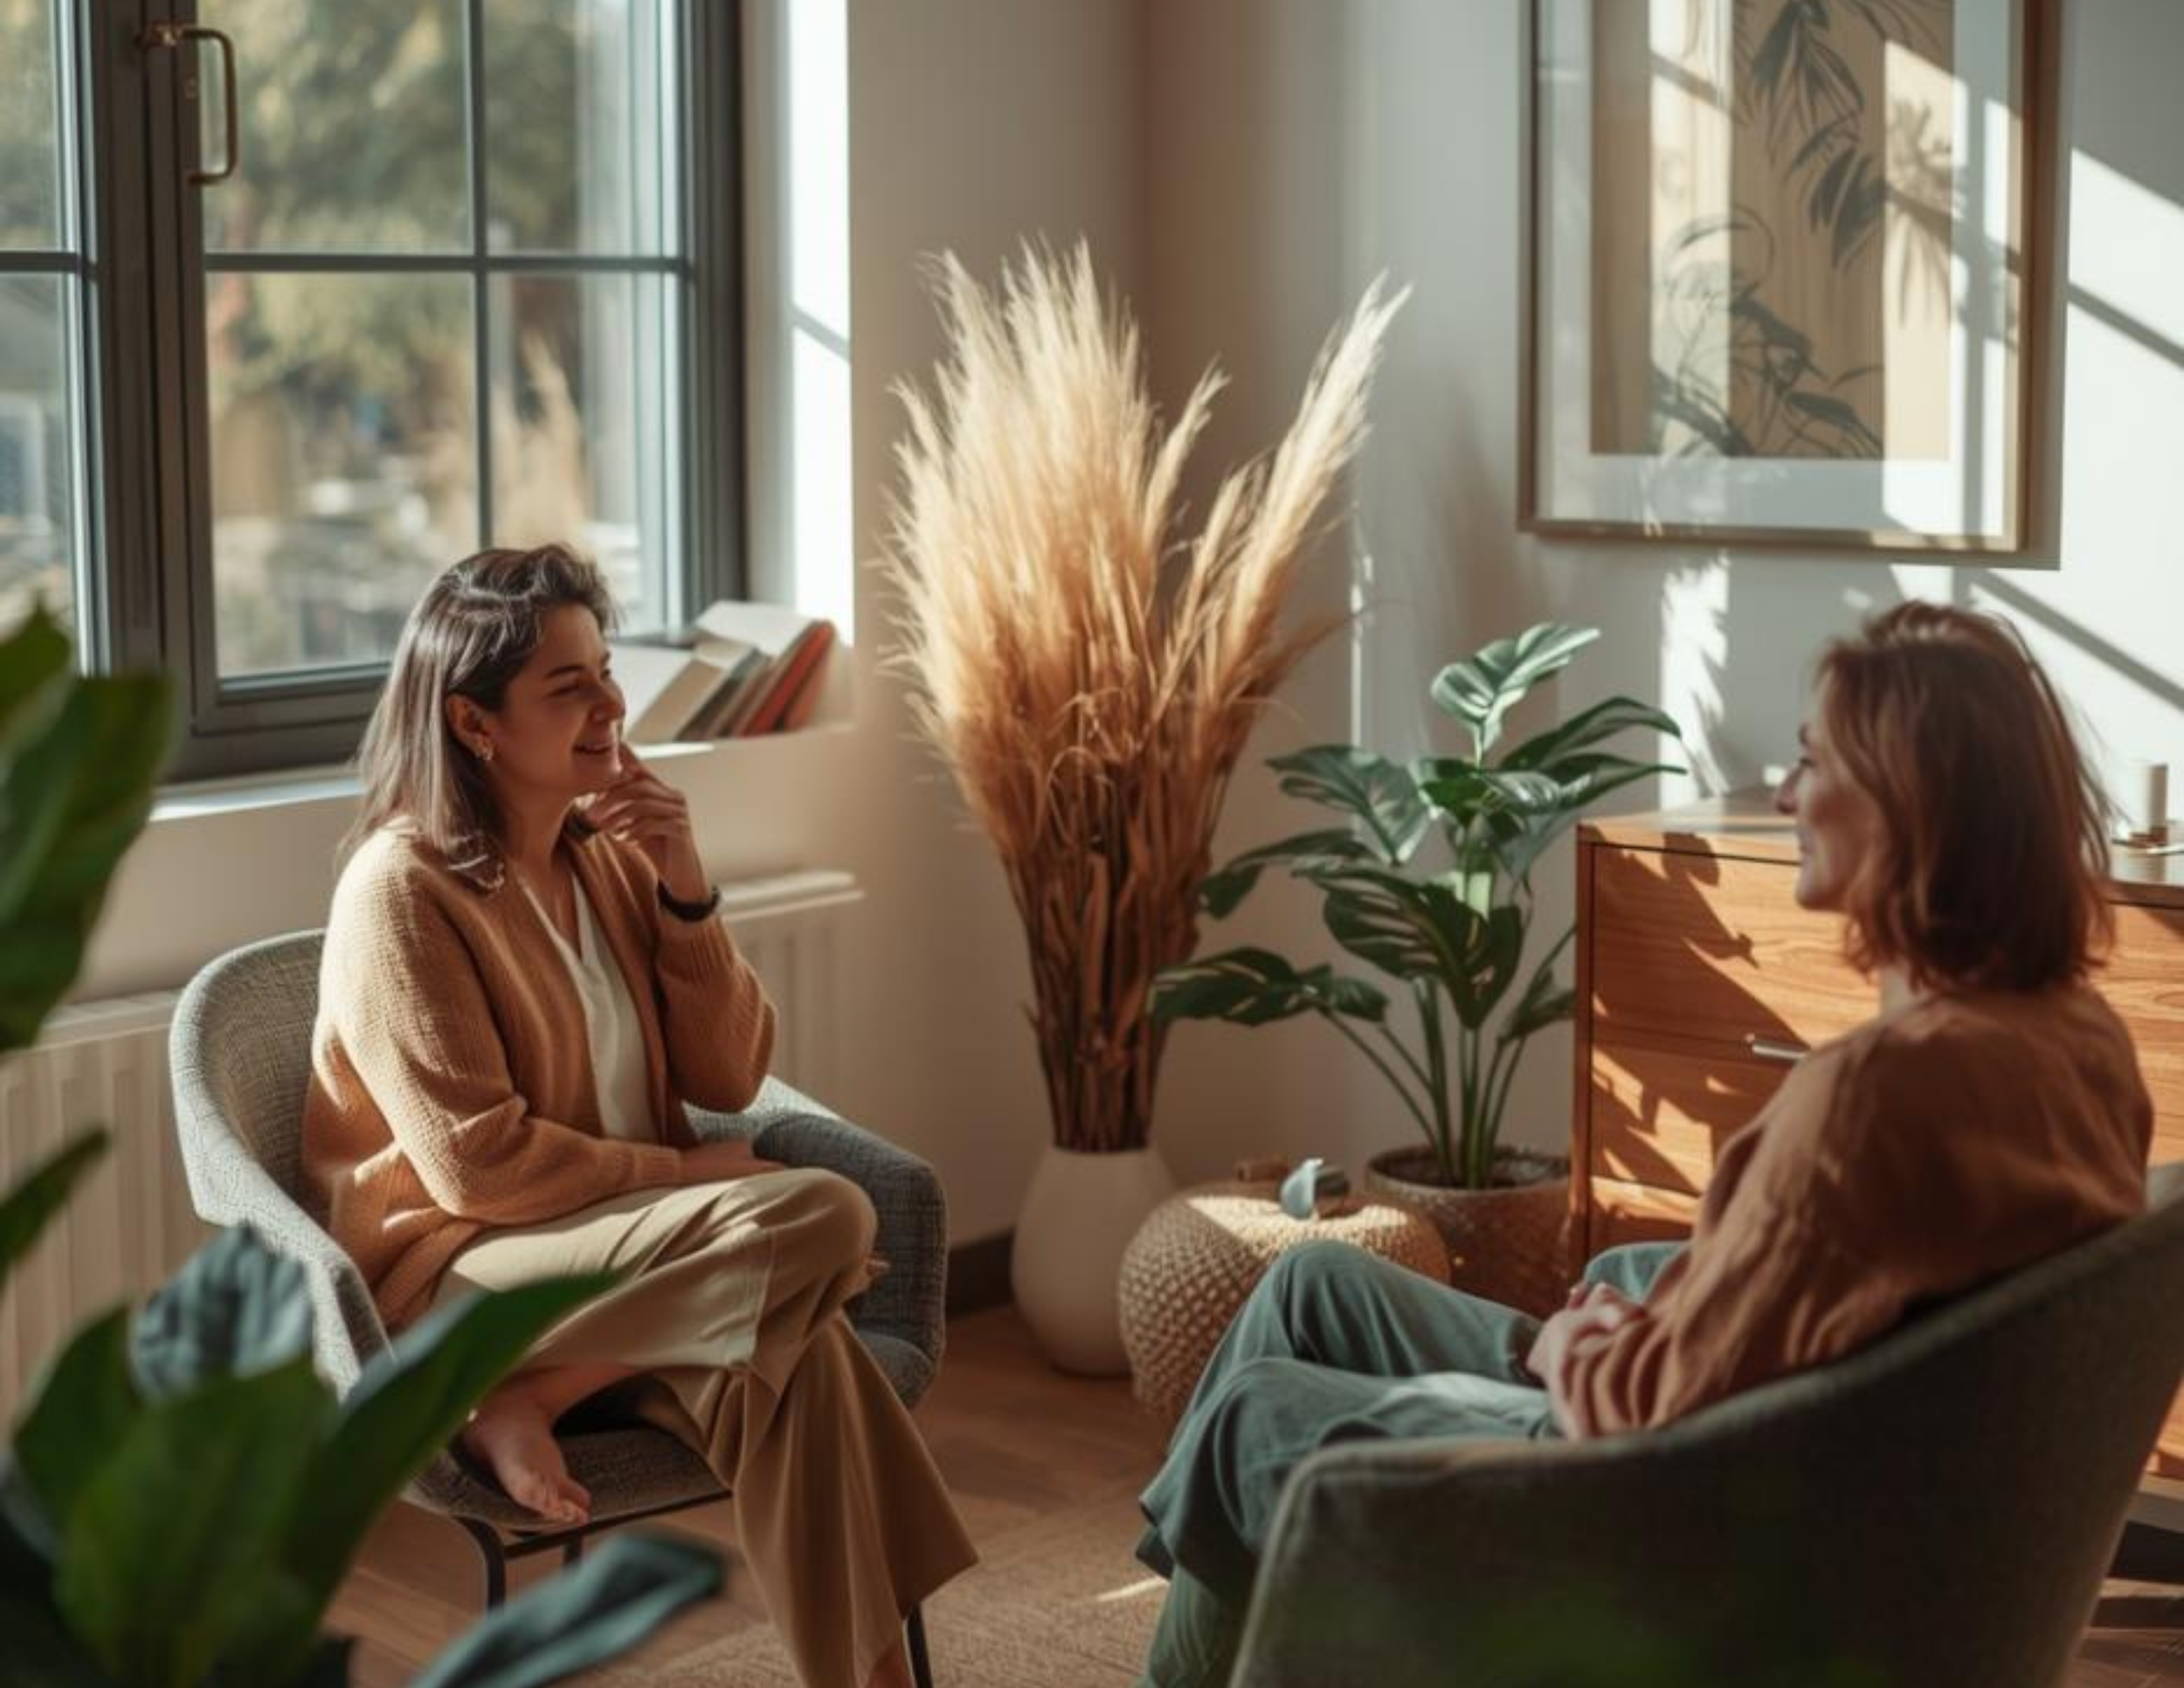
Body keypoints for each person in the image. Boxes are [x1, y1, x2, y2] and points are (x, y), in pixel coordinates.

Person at [1131, 601, 2154, 1688]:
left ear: (1908, 808)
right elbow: (1816, 1306)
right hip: (1780, 1476)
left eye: (1811, 762)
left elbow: (1652, 1415)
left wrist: (1588, 1348)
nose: (1784, 793)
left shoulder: (1871, 1097)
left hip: (1664, 1534)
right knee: (1315, 1287)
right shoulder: (2078, 1041)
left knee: (1254, 1418)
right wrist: (1651, 1307)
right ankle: (1220, 1633)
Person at [301, 544, 974, 1688]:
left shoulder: (604, 856)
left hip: (627, 1272)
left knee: (800, 1357)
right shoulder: (398, 889)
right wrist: (679, 1172)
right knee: (825, 1217)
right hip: (473, 1274)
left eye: (606, 671)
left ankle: (530, 1397)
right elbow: (478, 1169)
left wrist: (684, 883)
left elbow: (730, 1068)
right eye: (570, 687)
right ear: (473, 724)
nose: (613, 704)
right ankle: (492, 1378)